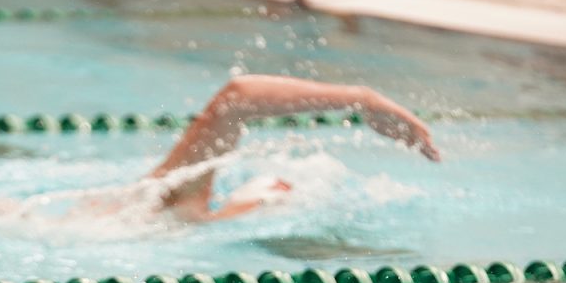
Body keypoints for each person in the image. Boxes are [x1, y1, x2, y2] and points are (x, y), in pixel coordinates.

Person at [143, 74, 441, 222]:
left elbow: (235, 99)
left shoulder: (159, 200)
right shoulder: (164, 203)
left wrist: (364, 99)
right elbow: (234, 100)